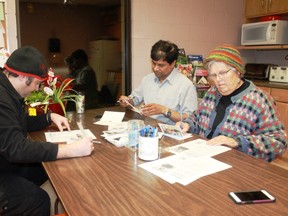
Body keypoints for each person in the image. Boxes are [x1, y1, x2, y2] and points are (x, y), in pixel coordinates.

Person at [0, 46, 94, 215]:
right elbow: (16, 148)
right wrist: (68, 149)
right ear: (22, 77)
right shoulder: (2, 98)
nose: (37, 89)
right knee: (37, 201)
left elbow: (19, 123)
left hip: (5, 162)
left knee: (49, 167)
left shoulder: (8, 91)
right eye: (37, 83)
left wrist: (49, 117)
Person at [177, 44, 287, 162]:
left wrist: (236, 142)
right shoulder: (212, 92)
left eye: (223, 73)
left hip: (238, 167)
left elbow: (279, 142)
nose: (218, 79)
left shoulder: (259, 100)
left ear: (238, 71)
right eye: (214, 75)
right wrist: (188, 124)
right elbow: (198, 117)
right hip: (204, 159)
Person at [118, 40, 198, 125]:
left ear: (173, 63)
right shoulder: (147, 79)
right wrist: (127, 101)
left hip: (171, 133)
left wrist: (164, 110)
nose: (155, 68)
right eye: (153, 63)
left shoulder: (186, 86)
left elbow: (190, 119)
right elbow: (135, 99)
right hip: (148, 129)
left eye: (161, 65)